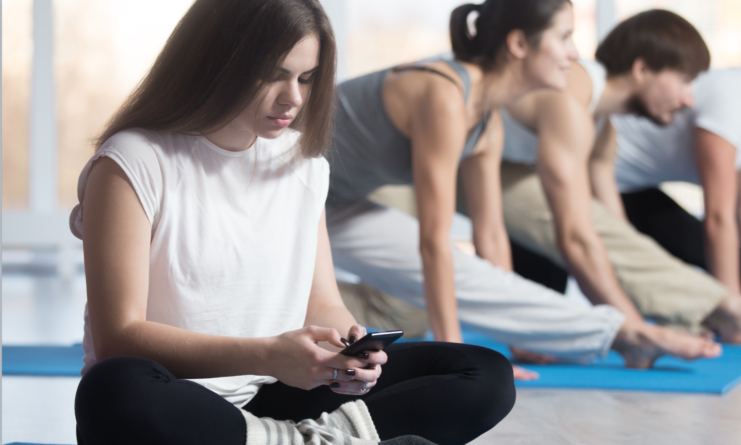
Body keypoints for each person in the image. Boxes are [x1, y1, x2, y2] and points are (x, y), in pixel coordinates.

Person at [70, 1, 516, 444]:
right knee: (114, 388)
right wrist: (268, 355)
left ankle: (289, 440)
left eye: (306, 77)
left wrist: (349, 349)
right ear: (214, 61)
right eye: (274, 75)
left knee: (485, 373)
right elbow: (119, 338)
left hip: (268, 397)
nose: (294, 98)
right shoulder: (131, 161)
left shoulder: (302, 163)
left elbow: (321, 301)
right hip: (177, 400)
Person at [327, 0, 722, 375]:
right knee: (434, 270)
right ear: (518, 44)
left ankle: (625, 336)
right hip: (285, 194)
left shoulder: (487, 120)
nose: (574, 54)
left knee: (464, 271)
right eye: (564, 37)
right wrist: (456, 360)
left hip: (339, 207)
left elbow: (492, 235)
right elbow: (433, 242)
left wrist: (516, 337)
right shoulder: (446, 95)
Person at [497, 8, 741, 352]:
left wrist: (644, 317)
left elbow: (619, 237)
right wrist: (637, 331)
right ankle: (723, 312)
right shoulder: (573, 99)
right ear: (641, 70)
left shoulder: (603, 131)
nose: (689, 99)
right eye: (685, 81)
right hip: (479, 170)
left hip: (508, 170)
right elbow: (576, 238)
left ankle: (724, 311)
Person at [613, 3, 741, 303]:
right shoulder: (732, 93)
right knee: (695, 240)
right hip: (611, 184)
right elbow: (718, 216)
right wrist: (738, 311)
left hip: (634, 189)